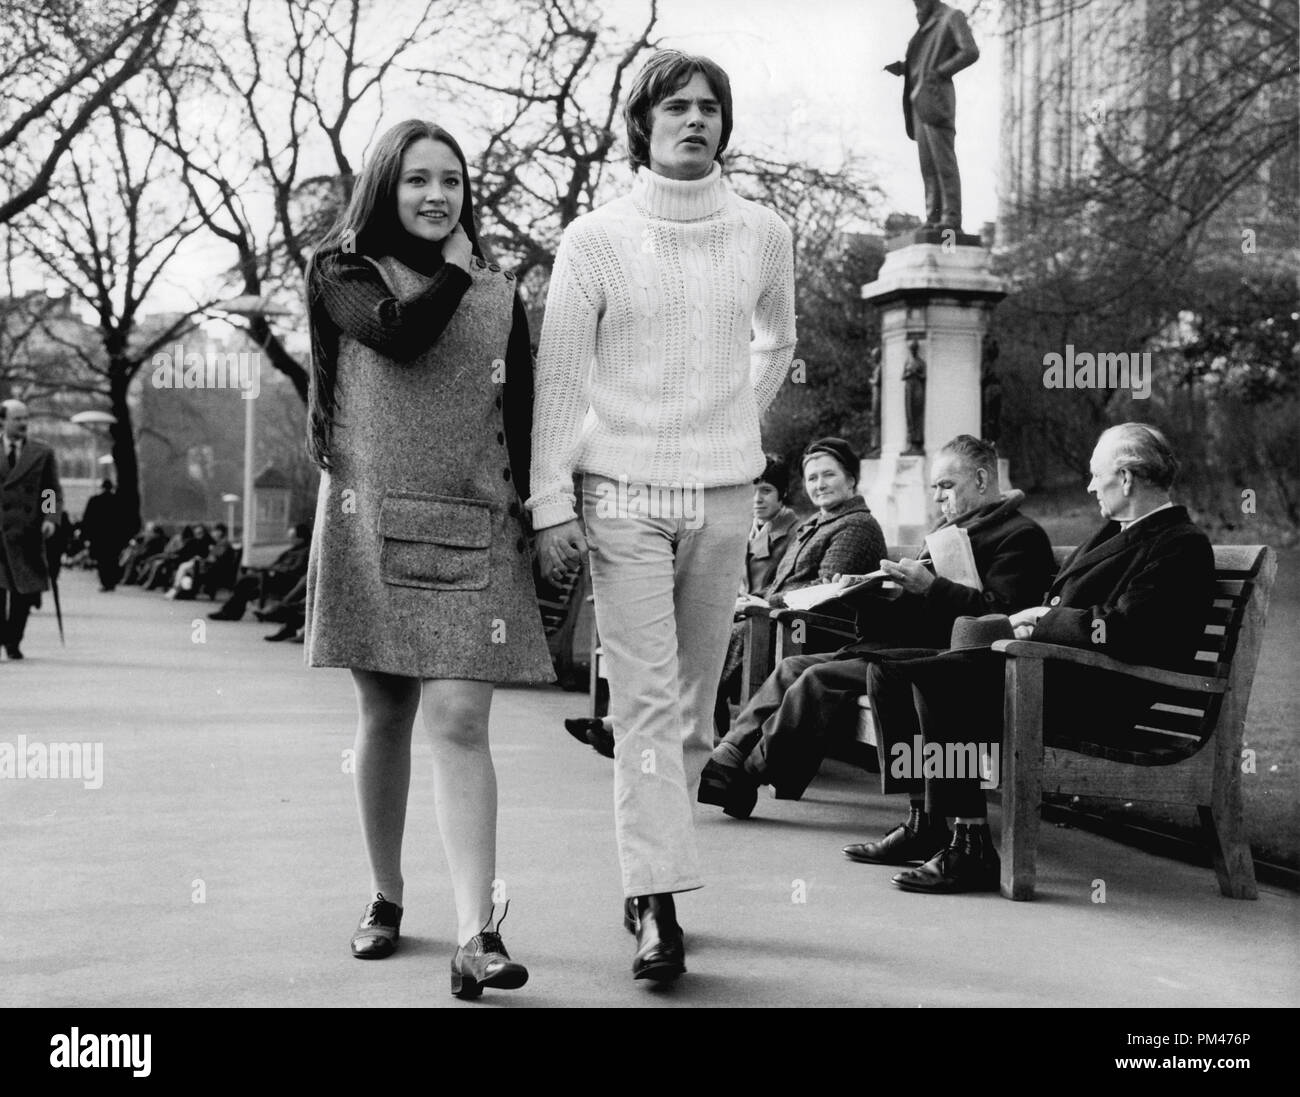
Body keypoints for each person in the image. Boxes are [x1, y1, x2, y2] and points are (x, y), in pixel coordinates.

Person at [528, 50, 796, 983]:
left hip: (722, 498)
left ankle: (652, 878)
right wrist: (550, 500)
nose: (695, 120)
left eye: (710, 107)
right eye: (676, 106)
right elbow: (560, 380)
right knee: (642, 700)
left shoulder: (765, 233)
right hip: (623, 496)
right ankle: (660, 903)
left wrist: (730, 422)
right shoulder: (594, 239)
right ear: (640, 122)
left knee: (692, 710)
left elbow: (779, 339)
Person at [303, 119, 552, 997]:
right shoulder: (342, 272)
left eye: (452, 179)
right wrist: (456, 266)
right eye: (417, 179)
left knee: (458, 720)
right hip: (371, 525)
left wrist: (544, 518)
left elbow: (521, 419)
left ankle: (476, 931)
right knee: (384, 714)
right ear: (385, 187)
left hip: (475, 527)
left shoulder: (499, 293)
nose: (437, 193)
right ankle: (385, 896)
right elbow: (398, 332)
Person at [853, 423, 1214, 894]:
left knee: (939, 679)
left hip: (1104, 694)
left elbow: (1128, 632)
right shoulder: (1116, 531)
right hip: (1055, 671)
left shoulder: (1178, 543)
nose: (1088, 485)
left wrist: (1042, 619)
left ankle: (971, 845)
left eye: (1095, 474)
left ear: (1126, 478)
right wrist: (1035, 624)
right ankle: (926, 820)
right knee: (889, 673)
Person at [699, 435, 1053, 819]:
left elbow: (1002, 619)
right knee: (792, 668)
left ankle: (745, 775)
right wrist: (864, 594)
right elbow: (919, 609)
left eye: (947, 486)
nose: (938, 498)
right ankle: (729, 755)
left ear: (982, 480)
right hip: (903, 645)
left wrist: (931, 587)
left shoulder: (1020, 536)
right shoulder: (948, 532)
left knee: (818, 678)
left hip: (943, 661)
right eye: (934, 488)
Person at [565, 453, 801, 755]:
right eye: (753, 490)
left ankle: (629, 727)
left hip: (765, 623)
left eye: (766, 490)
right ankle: (631, 725)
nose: (757, 498)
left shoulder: (793, 533)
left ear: (783, 494)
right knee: (663, 636)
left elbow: (788, 585)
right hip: (738, 613)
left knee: (694, 642)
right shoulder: (743, 525)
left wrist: (757, 599)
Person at [884, 0, 980, 232]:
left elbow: (970, 51)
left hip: (936, 102)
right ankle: (934, 217)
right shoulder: (927, 25)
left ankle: (951, 222)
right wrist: (904, 67)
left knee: (943, 163)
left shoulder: (951, 17)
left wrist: (939, 73)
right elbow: (922, 62)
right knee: (928, 165)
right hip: (919, 102)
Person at [0, 399, 62, 660]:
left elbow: (50, 489)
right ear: (2, 421)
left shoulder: (42, 452)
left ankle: (13, 640)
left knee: (23, 593)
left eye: (26, 418)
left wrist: (49, 516)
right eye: (17, 419)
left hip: (27, 533)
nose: (24, 423)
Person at [207, 523, 309, 620]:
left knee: (246, 583)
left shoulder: (304, 552)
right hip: (272, 577)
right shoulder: (290, 550)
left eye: (293, 537)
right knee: (246, 584)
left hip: (284, 580)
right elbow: (275, 564)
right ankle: (230, 611)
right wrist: (265, 568)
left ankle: (231, 612)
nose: (290, 539)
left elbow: (295, 569)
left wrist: (273, 569)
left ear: (301, 538)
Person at [79, 479, 133, 591]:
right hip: (114, 537)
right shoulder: (118, 501)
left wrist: (85, 536)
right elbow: (125, 520)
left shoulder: (95, 500)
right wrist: (125, 537)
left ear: (102, 487)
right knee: (113, 559)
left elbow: (88, 519)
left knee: (102, 560)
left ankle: (105, 582)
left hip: (99, 537)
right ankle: (111, 582)